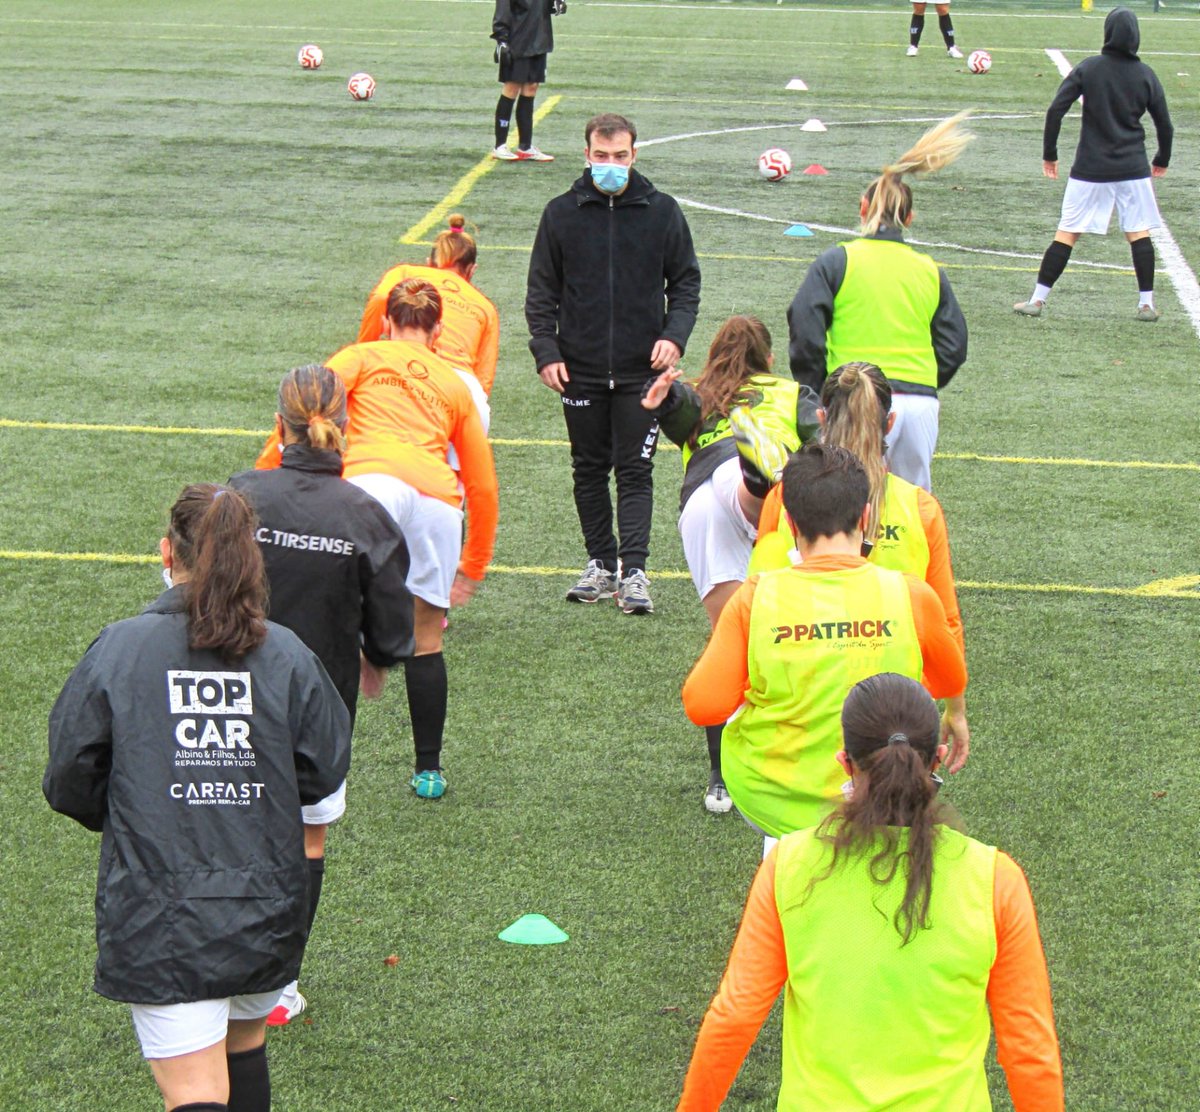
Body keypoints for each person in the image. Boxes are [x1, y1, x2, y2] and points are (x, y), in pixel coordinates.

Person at [45, 483, 351, 1112]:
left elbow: (70, 777)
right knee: (243, 1052)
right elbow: (322, 776)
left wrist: (139, 801)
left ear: (167, 553)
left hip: (162, 911)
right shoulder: (288, 653)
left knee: (196, 1093)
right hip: (267, 905)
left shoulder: (122, 647)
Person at [677, 673, 1063, 1111]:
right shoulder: (996, 879)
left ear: (845, 761)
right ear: (937, 758)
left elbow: (735, 1017)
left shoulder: (788, 865)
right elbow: (1029, 1048)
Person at [256, 278, 499, 800]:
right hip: (437, 502)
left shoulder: (360, 357)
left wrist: (259, 481)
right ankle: (428, 770)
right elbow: (481, 482)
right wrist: (473, 565)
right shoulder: (458, 385)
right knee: (428, 640)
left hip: (371, 487)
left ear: (387, 322)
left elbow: (304, 413)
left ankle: (346, 685)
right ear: (437, 332)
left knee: (331, 612)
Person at [230, 364, 415, 1027]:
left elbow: (190, 580)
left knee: (228, 826)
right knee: (306, 839)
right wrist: (374, 656)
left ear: (279, 426)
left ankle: (218, 967)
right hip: (318, 706)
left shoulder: (241, 494)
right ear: (345, 424)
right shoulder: (363, 515)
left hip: (227, 694)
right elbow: (396, 630)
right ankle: (278, 987)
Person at [681, 443, 966, 847]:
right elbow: (948, 677)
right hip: (882, 794)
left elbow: (702, 704)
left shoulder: (755, 597)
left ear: (791, 522)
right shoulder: (910, 594)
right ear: (865, 516)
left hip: (775, 801)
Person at [641, 316, 820, 813]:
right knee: (788, 631)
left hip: (702, 500)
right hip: (777, 499)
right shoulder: (789, 391)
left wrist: (663, 396)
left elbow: (674, 413)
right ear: (768, 359)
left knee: (729, 642)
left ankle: (721, 781)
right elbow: (824, 433)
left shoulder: (702, 394)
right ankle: (756, 480)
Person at [746, 361, 969, 758]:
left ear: (820, 418)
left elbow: (753, 610)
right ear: (891, 422)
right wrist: (956, 709)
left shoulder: (785, 499)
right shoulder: (920, 508)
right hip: (893, 723)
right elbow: (946, 620)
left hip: (799, 715)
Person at [526, 111, 702, 613]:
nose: (610, 165)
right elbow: (541, 291)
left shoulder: (662, 212)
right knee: (587, 468)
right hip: (577, 368)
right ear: (586, 155)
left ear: (634, 155)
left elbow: (686, 282)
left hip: (640, 371)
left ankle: (636, 573)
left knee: (635, 469)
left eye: (619, 157)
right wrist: (546, 351)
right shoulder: (560, 214)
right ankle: (601, 565)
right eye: (601, 157)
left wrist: (675, 337)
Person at [787, 112, 972, 492]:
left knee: (846, 498)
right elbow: (954, 345)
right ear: (909, 217)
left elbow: (804, 328)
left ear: (862, 208)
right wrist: (922, 383)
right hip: (919, 402)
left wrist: (821, 388)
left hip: (855, 397)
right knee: (912, 505)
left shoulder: (838, 260)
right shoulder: (928, 269)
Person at [1014, 6, 1173, 322]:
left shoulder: (1089, 68)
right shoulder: (1146, 75)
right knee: (1138, 233)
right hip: (1133, 168)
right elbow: (1165, 124)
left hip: (1090, 168)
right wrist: (1161, 158)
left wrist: (1050, 154)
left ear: (1107, 34)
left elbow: (1056, 110)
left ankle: (1037, 300)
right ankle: (1146, 305)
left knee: (1067, 233)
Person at [358, 214, 500, 403]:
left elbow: (381, 298)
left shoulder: (405, 273)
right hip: (461, 386)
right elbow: (484, 378)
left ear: (429, 262)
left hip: (408, 370)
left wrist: (363, 348)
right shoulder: (486, 308)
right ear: (472, 270)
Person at [490, 0, 565, 161]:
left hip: (539, 39)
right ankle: (500, 145)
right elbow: (503, 10)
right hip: (517, 41)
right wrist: (501, 39)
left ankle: (526, 146)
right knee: (512, 87)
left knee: (531, 87)